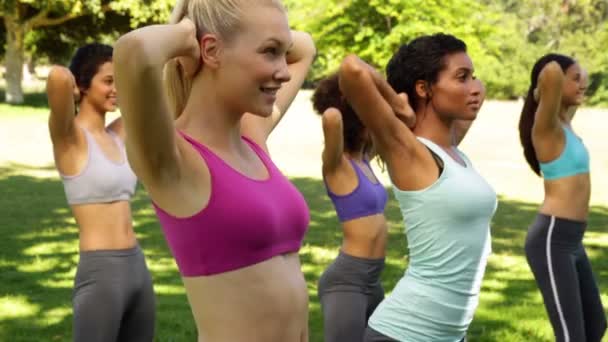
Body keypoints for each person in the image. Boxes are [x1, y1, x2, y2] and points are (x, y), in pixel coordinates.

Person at [112, 0, 316, 341]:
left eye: (282, 52)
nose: (283, 70)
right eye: (269, 52)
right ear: (210, 50)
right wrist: (187, 35)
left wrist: (260, 33)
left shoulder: (252, 137)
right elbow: (135, 51)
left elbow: (305, 46)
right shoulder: (174, 161)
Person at [331, 33, 496, 342]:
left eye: (473, 76)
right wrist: (398, 106)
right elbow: (352, 69)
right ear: (423, 88)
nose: (474, 87)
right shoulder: (409, 151)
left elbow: (477, 95)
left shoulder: (452, 149)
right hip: (406, 333)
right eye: (462, 77)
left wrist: (464, 77)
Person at [46, 43, 155, 342]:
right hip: (101, 272)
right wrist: (72, 86)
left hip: (137, 267)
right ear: (82, 85)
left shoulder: (118, 134)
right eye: (108, 81)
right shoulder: (70, 139)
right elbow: (57, 77)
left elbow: (156, 88)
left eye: (118, 80)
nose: (116, 89)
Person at [519, 54, 607, 342]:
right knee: (571, 336)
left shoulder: (565, 123)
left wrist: (570, 78)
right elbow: (552, 72)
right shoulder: (546, 128)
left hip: (573, 240)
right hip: (552, 238)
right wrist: (543, 88)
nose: (584, 83)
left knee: (595, 325)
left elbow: (558, 79)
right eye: (576, 78)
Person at [311, 73, 389, 342]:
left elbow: (397, 116)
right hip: (348, 281)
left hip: (373, 279)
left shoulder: (365, 158)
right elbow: (331, 117)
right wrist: (350, 94)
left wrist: (376, 94)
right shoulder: (337, 164)